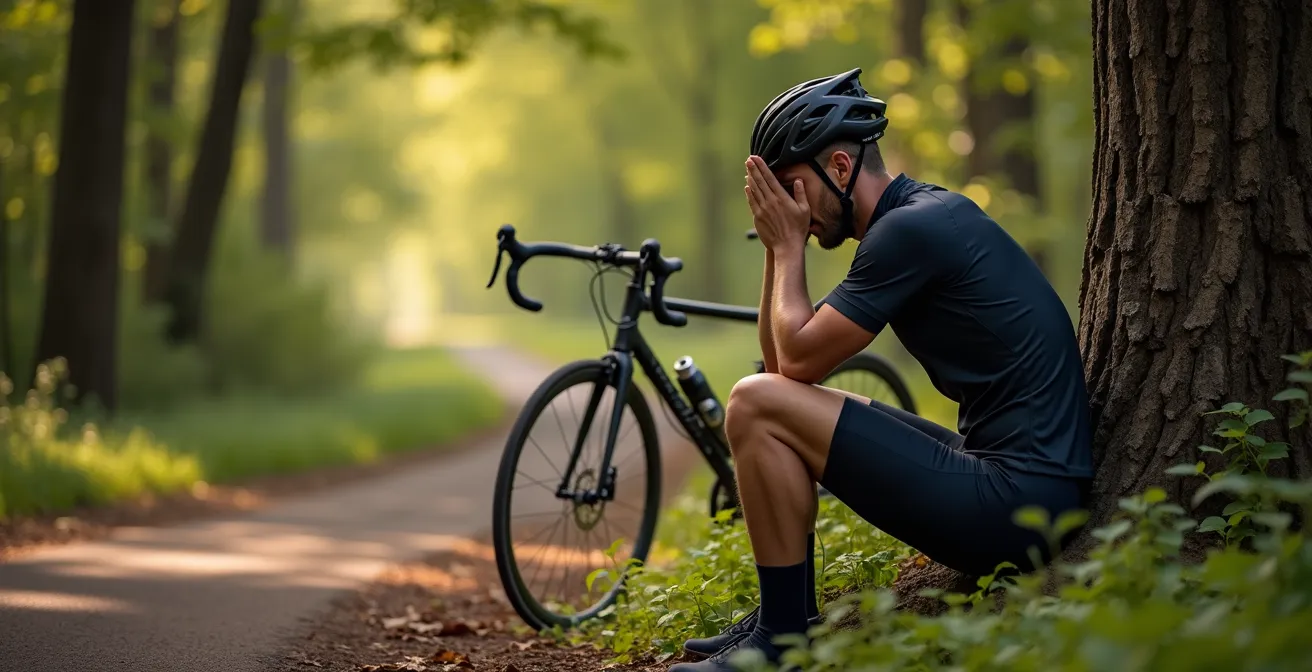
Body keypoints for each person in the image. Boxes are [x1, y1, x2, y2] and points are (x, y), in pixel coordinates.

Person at [666, 68, 1094, 671]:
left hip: (1019, 507)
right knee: (764, 401)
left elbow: (791, 364)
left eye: (793, 189)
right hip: (1019, 483)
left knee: (753, 402)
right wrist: (777, 248)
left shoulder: (908, 232)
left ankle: (783, 640)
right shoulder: (919, 216)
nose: (791, 210)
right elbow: (785, 370)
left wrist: (788, 249)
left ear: (839, 168)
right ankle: (780, 618)